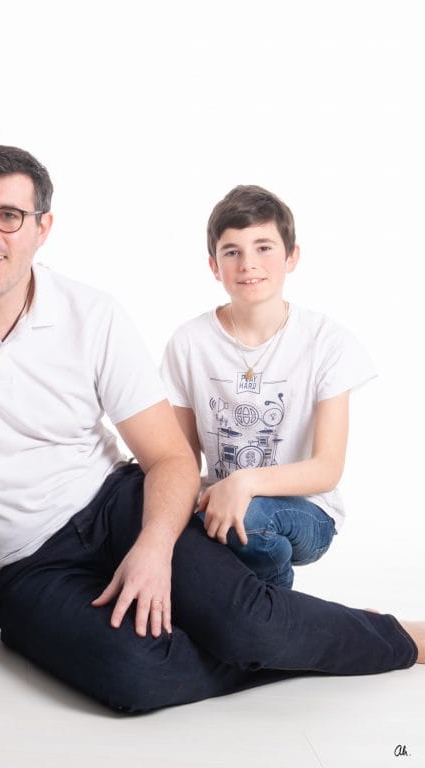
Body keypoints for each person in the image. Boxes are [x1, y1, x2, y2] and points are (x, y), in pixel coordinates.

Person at [0, 144, 423, 713]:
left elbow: (169, 457)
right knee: (138, 676)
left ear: (43, 227)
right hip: (20, 562)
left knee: (248, 623)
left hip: (117, 507)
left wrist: (152, 546)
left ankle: (392, 638)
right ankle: (298, 633)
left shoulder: (92, 312)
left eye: (10, 216)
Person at [160, 185, 373, 588]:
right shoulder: (188, 342)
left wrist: (246, 482)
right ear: (213, 265)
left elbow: (327, 469)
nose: (248, 264)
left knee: (252, 518)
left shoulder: (327, 340)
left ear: (292, 256)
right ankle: (262, 614)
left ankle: (274, 617)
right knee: (146, 505)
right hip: (218, 506)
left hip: (305, 511)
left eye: (264, 247)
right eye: (232, 252)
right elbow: (182, 458)